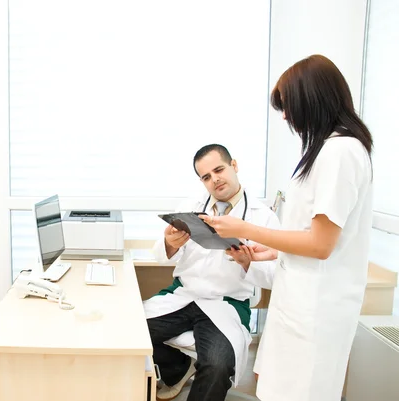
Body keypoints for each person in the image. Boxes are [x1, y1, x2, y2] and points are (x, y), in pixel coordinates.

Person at [201, 55, 374, 401]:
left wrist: (245, 227)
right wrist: (276, 250)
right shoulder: (328, 150)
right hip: (300, 299)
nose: (285, 116)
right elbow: (319, 236)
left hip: (317, 308)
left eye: (288, 106)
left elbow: (322, 245)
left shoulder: (340, 153)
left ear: (312, 99)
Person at [144, 144, 280, 401]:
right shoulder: (191, 207)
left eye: (219, 170)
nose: (214, 179)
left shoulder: (263, 218)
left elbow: (276, 275)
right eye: (206, 176)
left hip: (226, 304)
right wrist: (170, 244)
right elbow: (159, 253)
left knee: (217, 366)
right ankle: (177, 369)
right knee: (130, 335)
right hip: (184, 295)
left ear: (234, 166)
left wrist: (246, 262)